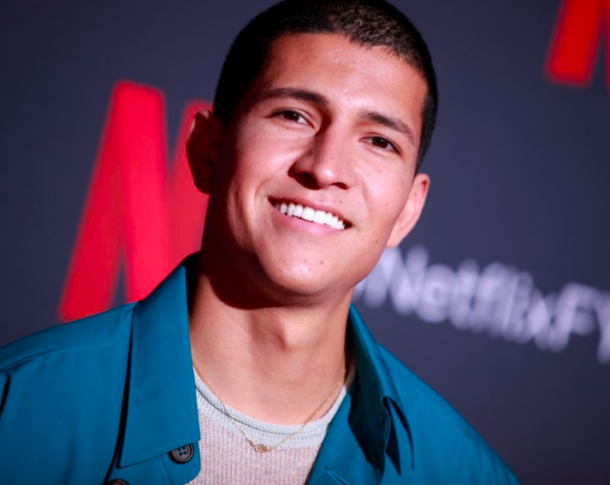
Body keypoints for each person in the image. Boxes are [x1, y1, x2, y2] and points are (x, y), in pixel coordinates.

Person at [0, 0, 520, 483]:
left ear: (408, 208)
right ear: (209, 149)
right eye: (294, 115)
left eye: (379, 141)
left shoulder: (464, 473)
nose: (325, 168)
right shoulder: (18, 407)